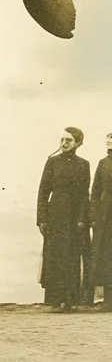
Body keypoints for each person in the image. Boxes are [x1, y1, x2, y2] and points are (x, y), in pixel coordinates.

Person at [36, 127, 91, 312]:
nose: (64, 143)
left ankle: (70, 300)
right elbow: (43, 191)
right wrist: (42, 218)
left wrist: (83, 218)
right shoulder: (52, 162)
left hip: (75, 216)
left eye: (69, 140)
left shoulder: (84, 164)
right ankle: (56, 298)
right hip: (56, 214)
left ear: (78, 143)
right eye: (62, 140)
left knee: (72, 257)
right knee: (55, 256)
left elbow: (85, 194)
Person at [91, 132, 112, 311]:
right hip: (105, 217)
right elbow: (95, 192)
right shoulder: (103, 163)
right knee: (105, 256)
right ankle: (107, 300)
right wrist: (94, 217)